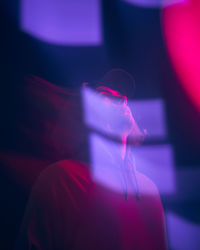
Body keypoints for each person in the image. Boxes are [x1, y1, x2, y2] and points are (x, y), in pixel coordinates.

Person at [15, 69, 168, 250]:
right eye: (106, 95)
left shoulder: (149, 189)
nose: (122, 99)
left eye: (121, 95)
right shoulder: (61, 179)